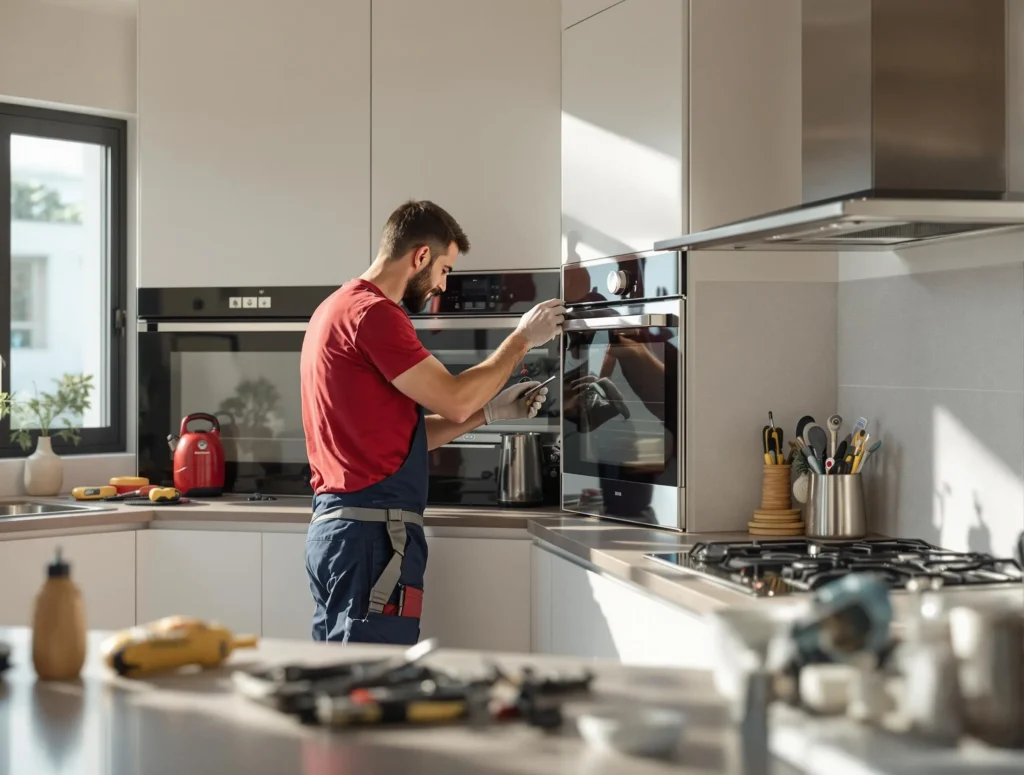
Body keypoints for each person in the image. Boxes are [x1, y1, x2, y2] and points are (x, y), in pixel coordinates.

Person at [300, 200, 565, 644]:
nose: (442, 284)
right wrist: (522, 339)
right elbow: (455, 398)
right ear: (420, 256)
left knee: (341, 685)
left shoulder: (335, 308)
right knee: (373, 690)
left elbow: (403, 438)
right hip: (373, 537)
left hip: (340, 534)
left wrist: (492, 411)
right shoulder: (375, 314)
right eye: (444, 269)